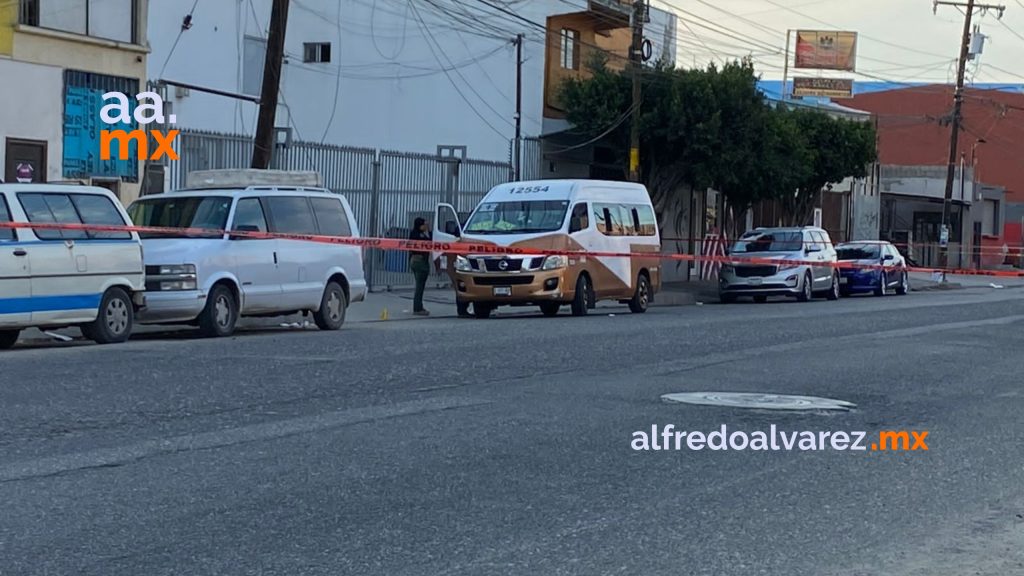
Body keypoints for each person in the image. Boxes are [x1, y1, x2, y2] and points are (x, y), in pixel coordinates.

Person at [409, 217, 432, 316]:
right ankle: (417, 308)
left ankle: (419, 306)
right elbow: (427, 241)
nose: (426, 226)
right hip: (419, 262)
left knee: (420, 286)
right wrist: (427, 231)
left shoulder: (419, 233)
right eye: (424, 224)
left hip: (419, 261)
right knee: (419, 286)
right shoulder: (416, 234)